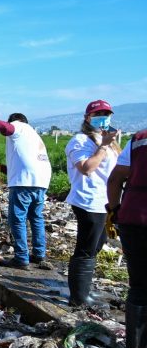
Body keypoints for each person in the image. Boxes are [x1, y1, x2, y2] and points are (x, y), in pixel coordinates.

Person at [0, 113, 52, 270]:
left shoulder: (19, 127)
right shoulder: (33, 135)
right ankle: (39, 255)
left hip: (24, 182)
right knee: (36, 218)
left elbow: (5, 127)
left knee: (17, 219)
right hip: (41, 181)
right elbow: (23, 163)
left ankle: (21, 258)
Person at [64, 100, 121, 307]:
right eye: (98, 114)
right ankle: (78, 297)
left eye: (107, 114)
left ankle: (83, 288)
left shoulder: (110, 141)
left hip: (105, 202)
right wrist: (104, 146)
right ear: (87, 117)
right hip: (88, 201)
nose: (103, 117)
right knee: (86, 247)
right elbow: (87, 168)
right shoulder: (80, 140)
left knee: (97, 244)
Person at [106, 128, 147, 348]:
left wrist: (114, 210)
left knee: (139, 287)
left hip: (133, 220)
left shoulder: (139, 139)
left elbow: (115, 179)